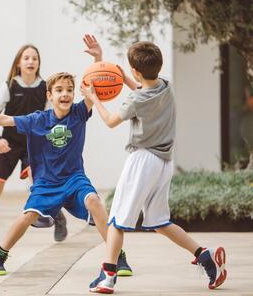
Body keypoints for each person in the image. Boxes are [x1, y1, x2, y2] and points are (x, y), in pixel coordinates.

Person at [0, 35, 132, 276]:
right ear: (49, 95)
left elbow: (96, 84)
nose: (65, 94)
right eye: (59, 90)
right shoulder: (37, 120)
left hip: (74, 179)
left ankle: (116, 256)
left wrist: (98, 57)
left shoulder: (78, 113)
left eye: (69, 90)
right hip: (46, 183)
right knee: (28, 216)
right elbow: (5, 119)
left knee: (95, 202)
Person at [86, 39, 227, 293]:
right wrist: (112, 68)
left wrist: (94, 98)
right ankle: (205, 256)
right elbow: (140, 86)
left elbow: (110, 121)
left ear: (136, 71)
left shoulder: (136, 101)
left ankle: (108, 276)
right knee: (160, 222)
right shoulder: (165, 86)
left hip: (142, 160)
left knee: (116, 220)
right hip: (164, 163)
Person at [0, 44, 68, 246]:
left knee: (36, 180)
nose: (31, 61)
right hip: (9, 144)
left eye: (35, 58)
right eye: (27, 58)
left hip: (33, 144)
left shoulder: (44, 87)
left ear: (39, 63)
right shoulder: (9, 86)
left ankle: (54, 216)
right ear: (19, 62)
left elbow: (51, 117)